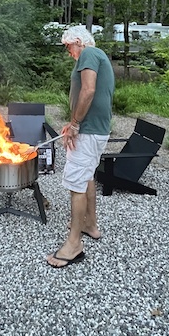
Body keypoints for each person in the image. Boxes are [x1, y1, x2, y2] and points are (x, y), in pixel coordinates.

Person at [47, 25, 115, 268]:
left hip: (88, 132)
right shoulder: (97, 56)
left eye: (68, 46)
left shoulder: (88, 54)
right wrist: (74, 121)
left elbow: (88, 90)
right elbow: (90, 97)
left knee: (76, 182)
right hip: (93, 129)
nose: (68, 52)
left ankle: (74, 244)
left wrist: (75, 124)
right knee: (86, 178)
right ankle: (90, 225)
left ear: (78, 41)